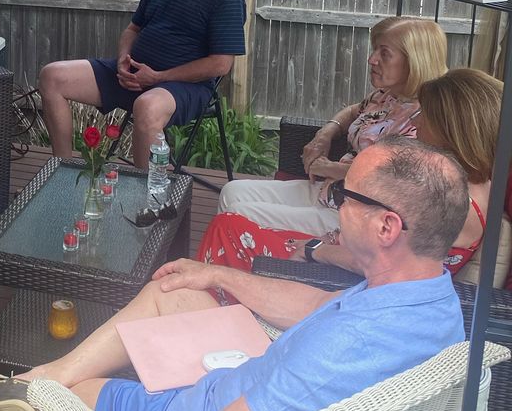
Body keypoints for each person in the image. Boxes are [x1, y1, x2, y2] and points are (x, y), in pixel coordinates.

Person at [0, 137, 466, 411]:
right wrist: (220, 275)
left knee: (70, 404)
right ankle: (47, 375)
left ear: (387, 226)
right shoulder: (429, 304)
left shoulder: (339, 352)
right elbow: (315, 307)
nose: (332, 206)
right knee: (170, 290)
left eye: (342, 196)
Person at [197, 68, 500, 277]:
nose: (417, 124)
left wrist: (314, 249)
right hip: (339, 253)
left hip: (340, 281)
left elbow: (378, 265)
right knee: (230, 221)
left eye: (427, 117)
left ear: (453, 129)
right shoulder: (467, 180)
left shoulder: (450, 201)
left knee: (228, 229)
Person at [41, 0, 246, 168]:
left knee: (147, 107)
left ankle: (145, 203)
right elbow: (133, 30)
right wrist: (123, 60)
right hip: (134, 75)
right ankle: (63, 172)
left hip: (184, 87)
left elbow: (220, 65)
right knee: (52, 76)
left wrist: (159, 77)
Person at [217, 16, 448, 234]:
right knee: (231, 192)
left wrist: (327, 167)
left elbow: (392, 180)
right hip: (331, 192)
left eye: (384, 54)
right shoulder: (387, 96)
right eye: (375, 49)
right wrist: (325, 134)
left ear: (415, 62)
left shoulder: (426, 118)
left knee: (238, 213)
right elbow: (353, 111)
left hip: (358, 217)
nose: (372, 59)